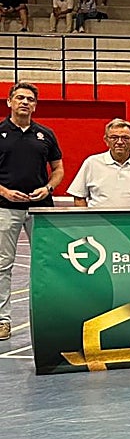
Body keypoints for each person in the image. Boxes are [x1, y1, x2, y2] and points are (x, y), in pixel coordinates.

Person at [0, 83, 63, 340]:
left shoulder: (45, 134)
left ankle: (47, 319)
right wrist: (4, 192)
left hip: (40, 210)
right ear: (9, 102)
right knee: (2, 266)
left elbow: (58, 170)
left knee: (46, 265)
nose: (25, 102)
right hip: (5, 208)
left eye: (30, 99)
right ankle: (2, 320)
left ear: (35, 105)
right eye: (20, 98)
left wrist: (48, 188)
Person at [67, 119, 130, 208]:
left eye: (125, 138)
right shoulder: (91, 163)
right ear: (106, 140)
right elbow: (79, 197)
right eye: (114, 138)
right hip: (100, 227)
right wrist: (90, 222)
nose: (120, 142)